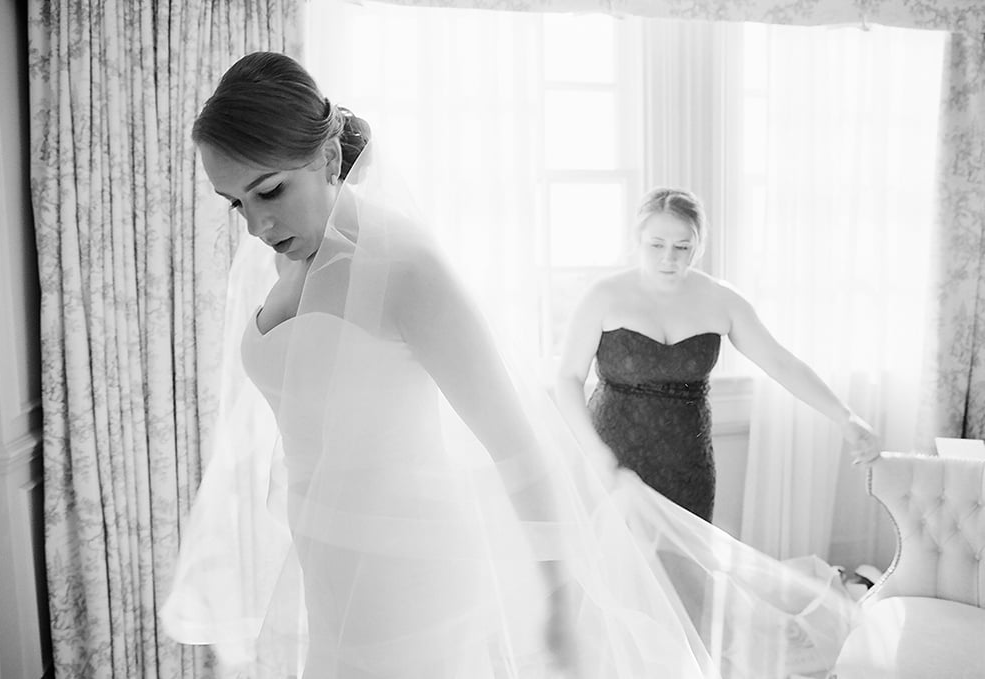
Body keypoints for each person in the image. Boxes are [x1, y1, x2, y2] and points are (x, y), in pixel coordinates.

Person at [162, 53, 861, 679]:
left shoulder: (404, 267)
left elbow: (517, 443)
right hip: (327, 560)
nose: (256, 224)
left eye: (270, 190)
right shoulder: (280, 259)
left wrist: (557, 599)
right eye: (237, 204)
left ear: (324, 157)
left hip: (409, 576)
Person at [554, 188, 880, 522]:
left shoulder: (721, 300)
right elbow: (568, 377)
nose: (669, 258)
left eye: (683, 247)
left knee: (686, 570)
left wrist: (845, 416)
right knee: (615, 566)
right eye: (657, 245)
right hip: (610, 453)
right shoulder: (603, 296)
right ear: (638, 239)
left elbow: (781, 363)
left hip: (686, 460)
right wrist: (592, 448)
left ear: (698, 245)